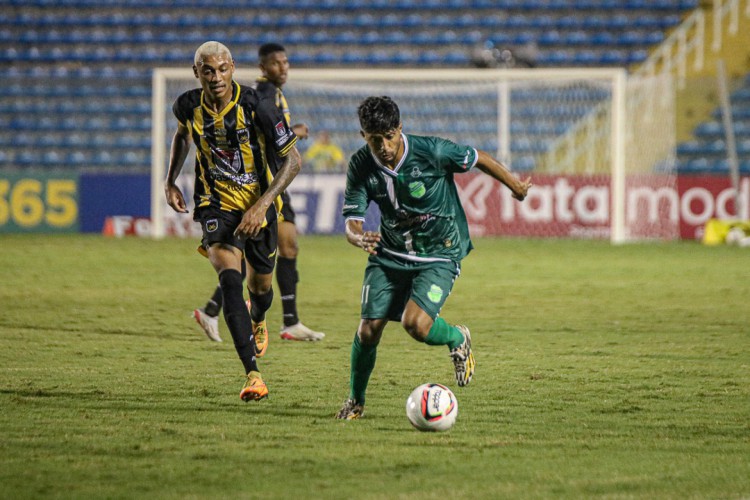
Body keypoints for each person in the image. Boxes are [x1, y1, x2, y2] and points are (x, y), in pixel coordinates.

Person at [335, 96, 532, 420]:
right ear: (363, 136)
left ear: (400, 129)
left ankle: (456, 336)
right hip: (389, 254)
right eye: (374, 139)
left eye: (389, 136)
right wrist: (357, 235)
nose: (383, 146)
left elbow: (478, 157)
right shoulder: (360, 164)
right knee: (368, 329)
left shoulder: (432, 152)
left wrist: (515, 187)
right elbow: (352, 221)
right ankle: (355, 401)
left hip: (440, 252)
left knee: (416, 325)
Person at [166, 41, 302, 402]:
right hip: (215, 207)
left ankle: (258, 318)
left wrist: (263, 204)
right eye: (207, 70)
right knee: (230, 280)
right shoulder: (186, 105)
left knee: (261, 292)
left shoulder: (259, 106)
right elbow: (182, 137)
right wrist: (170, 180)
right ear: (197, 73)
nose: (216, 77)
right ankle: (252, 374)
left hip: (260, 209)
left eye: (222, 69)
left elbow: (293, 162)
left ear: (233, 68)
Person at [193, 42, 325, 343]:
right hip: (267, 183)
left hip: (272, 180)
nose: (284, 68)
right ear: (263, 67)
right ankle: (218, 310)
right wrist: (296, 133)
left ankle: (285, 319)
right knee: (252, 251)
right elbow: (270, 135)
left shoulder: (272, 93)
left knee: (282, 247)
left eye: (286, 62)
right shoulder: (263, 95)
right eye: (277, 63)